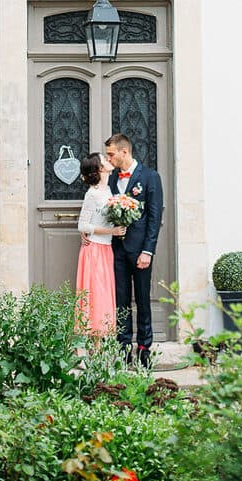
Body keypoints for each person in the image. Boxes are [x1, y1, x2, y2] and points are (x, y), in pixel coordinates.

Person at [105, 132, 164, 368]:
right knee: (121, 301)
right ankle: (123, 347)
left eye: (111, 155)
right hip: (117, 250)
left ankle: (144, 348)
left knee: (142, 300)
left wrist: (148, 251)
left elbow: (154, 216)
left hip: (140, 251)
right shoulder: (110, 179)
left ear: (124, 152)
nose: (108, 160)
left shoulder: (150, 177)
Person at [75, 152, 126, 335]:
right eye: (104, 159)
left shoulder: (108, 190)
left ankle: (98, 345)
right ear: (100, 168)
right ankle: (83, 345)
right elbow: (82, 224)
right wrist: (110, 231)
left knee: (103, 295)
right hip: (94, 249)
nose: (108, 160)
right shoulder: (93, 194)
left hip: (106, 249)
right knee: (93, 295)